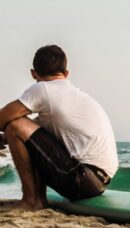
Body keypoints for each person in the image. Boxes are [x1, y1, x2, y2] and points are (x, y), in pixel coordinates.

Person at [0, 45, 118, 211]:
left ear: (33, 73)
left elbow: (3, 118)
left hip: (82, 179)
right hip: (97, 181)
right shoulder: (72, 96)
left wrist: (8, 131)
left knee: (15, 124)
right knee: (22, 132)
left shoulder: (43, 89)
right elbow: (33, 138)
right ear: (66, 73)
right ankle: (38, 200)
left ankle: (30, 200)